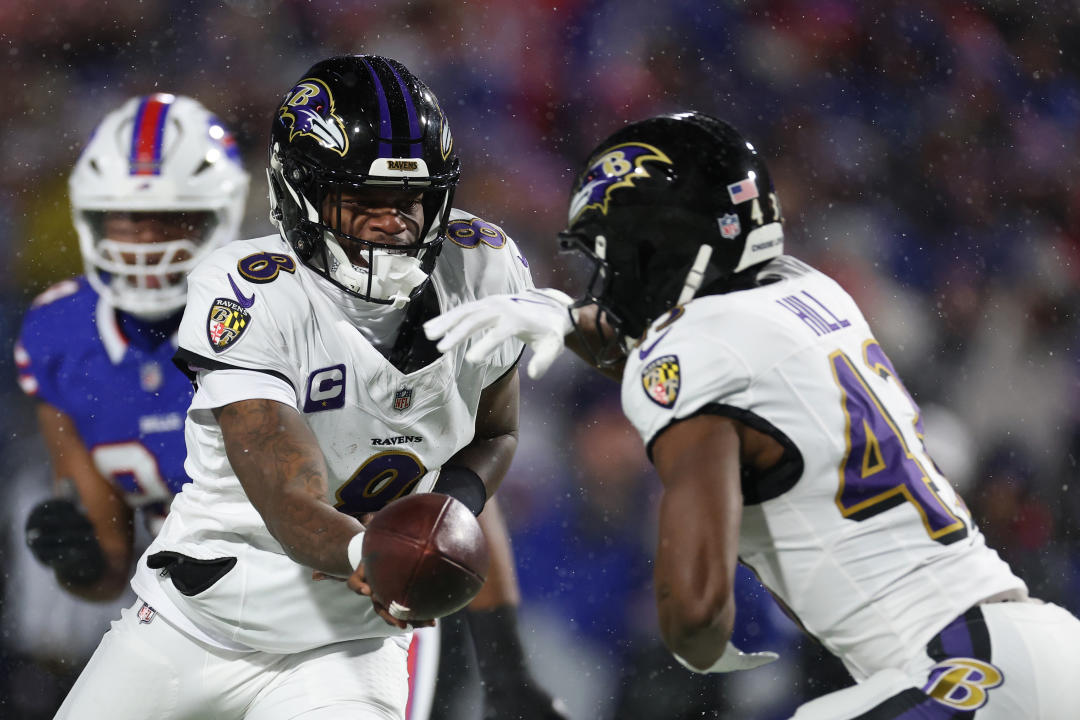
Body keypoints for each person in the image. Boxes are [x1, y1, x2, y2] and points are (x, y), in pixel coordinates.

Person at [425, 111, 1080, 718]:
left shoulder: (697, 350)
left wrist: (693, 643)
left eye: (623, 252)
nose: (612, 276)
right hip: (1035, 649)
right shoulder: (811, 289)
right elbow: (701, 352)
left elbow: (697, 614)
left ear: (674, 246)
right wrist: (571, 323)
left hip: (965, 670)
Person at [51, 54, 562, 720]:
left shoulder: (484, 264)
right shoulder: (249, 289)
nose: (394, 223)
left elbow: (495, 432)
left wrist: (449, 511)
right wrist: (369, 549)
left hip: (349, 641)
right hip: (197, 621)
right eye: (364, 202)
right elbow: (285, 490)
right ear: (302, 195)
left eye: (410, 199)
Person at [18, 92, 249, 602]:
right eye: (127, 218)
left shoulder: (276, 313)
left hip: (323, 592)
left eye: (170, 218)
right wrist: (74, 553)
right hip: (187, 613)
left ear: (221, 215)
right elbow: (107, 569)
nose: (147, 242)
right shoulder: (59, 335)